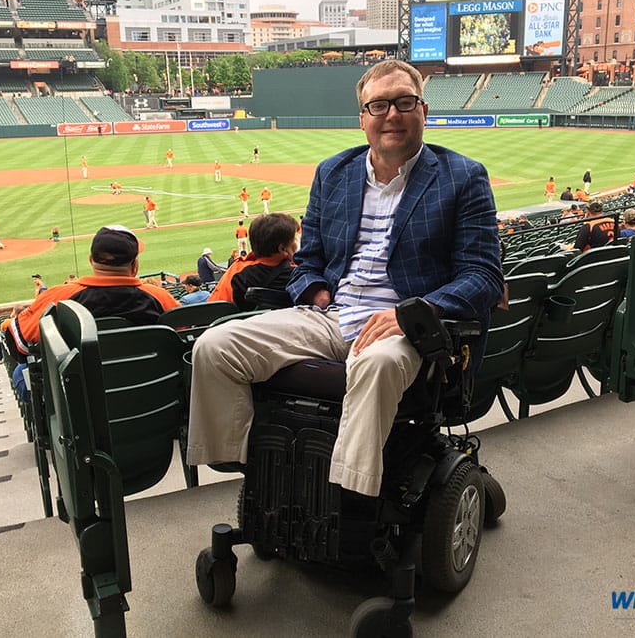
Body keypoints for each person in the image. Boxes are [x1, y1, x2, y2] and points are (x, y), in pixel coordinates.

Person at [187, 60, 504, 498]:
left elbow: (483, 275)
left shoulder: (464, 176)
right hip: (332, 315)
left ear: (423, 111)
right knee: (215, 346)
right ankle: (259, 474)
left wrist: (413, 313)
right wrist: (316, 292)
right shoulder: (333, 172)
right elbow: (307, 261)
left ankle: (346, 499)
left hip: (405, 328)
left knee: (376, 365)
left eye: (404, 102)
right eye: (378, 105)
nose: (391, 114)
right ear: (362, 118)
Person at [8, 225, 180, 355]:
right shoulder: (160, 297)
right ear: (134, 265)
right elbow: (184, 337)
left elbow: (21, 346)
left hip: (82, 392)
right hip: (155, 390)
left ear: (91, 260)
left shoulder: (58, 297)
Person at [207, 213, 297, 311]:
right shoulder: (300, 274)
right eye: (294, 239)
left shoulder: (236, 271)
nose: (296, 243)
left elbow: (214, 309)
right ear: (282, 249)